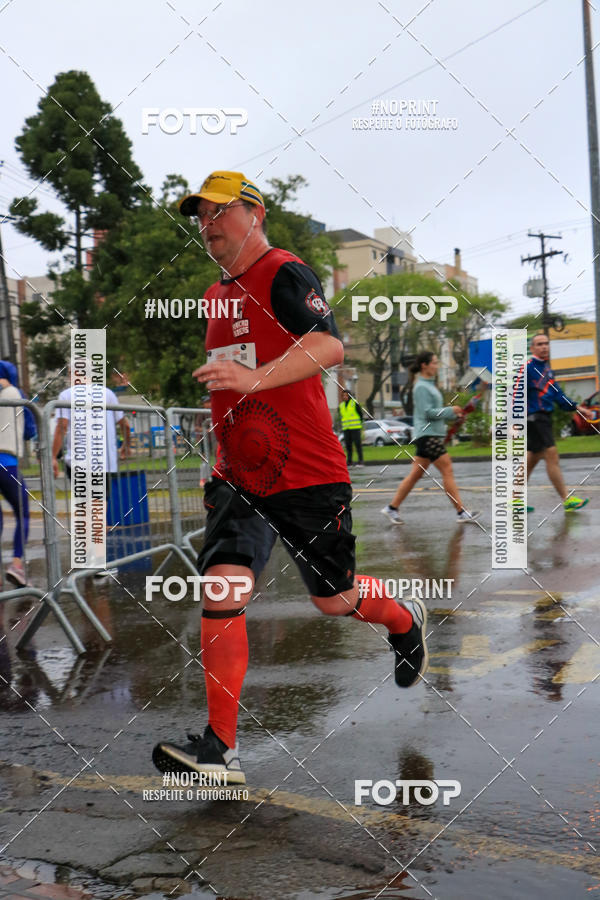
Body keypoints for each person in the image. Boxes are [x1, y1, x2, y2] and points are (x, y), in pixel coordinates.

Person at [151, 170, 429, 784]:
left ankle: (403, 619)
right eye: (200, 215)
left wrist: (253, 379)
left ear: (255, 213)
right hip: (242, 478)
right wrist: (220, 461)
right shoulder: (212, 296)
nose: (208, 224)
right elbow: (230, 388)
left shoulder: (283, 271)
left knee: (334, 601)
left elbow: (328, 347)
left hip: (307, 473)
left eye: (220, 211)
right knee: (221, 589)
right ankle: (221, 751)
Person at [381, 351, 480, 525]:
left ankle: (392, 508)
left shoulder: (428, 385)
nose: (437, 365)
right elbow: (427, 413)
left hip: (429, 434)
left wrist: (453, 415)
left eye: (436, 362)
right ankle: (461, 512)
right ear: (424, 365)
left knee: (415, 475)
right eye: (434, 363)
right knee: (447, 469)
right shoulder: (421, 387)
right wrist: (451, 411)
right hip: (427, 435)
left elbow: (434, 412)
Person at [52, 379, 131, 575]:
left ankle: (86, 557)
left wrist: (53, 456)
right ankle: (98, 562)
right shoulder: (108, 394)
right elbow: (125, 425)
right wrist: (125, 446)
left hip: (77, 462)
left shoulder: (66, 395)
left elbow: (62, 427)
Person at [522, 333, 591, 512]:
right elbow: (515, 394)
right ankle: (566, 499)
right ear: (532, 348)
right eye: (539, 344)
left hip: (543, 417)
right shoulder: (528, 368)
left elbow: (558, 395)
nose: (544, 347)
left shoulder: (546, 369)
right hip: (535, 416)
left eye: (546, 343)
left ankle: (514, 499)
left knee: (533, 458)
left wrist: (578, 408)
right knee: (552, 454)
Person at [0, 361, 30, 587]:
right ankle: (17, 564)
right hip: (6, 462)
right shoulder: (15, 393)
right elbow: (30, 429)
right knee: (23, 513)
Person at [339, 388, 363, 466]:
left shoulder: (354, 403)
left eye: (346, 395)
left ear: (350, 396)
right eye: (343, 395)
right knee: (348, 446)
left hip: (355, 428)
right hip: (346, 429)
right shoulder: (341, 405)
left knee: (357, 445)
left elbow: (360, 414)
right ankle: (349, 461)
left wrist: (360, 424)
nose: (345, 397)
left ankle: (360, 461)